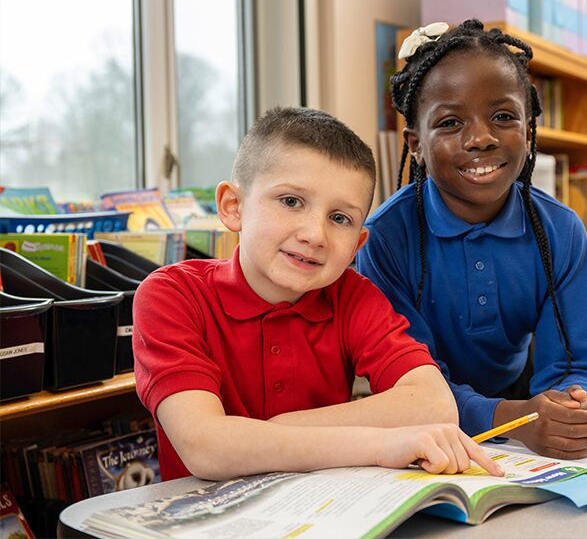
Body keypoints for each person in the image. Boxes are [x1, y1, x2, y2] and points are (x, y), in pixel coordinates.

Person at [133, 106, 503, 481]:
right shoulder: (171, 296)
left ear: (357, 244)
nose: (314, 235)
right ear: (234, 207)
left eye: (340, 218)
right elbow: (206, 447)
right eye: (291, 201)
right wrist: (379, 445)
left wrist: (266, 431)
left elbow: (434, 406)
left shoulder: (353, 297)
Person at [357, 20, 587, 460]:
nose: (481, 138)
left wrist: (574, 409)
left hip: (516, 402)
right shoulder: (384, 239)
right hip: (423, 418)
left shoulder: (560, 231)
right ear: (415, 144)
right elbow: (409, 385)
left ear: (529, 132)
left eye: (503, 117)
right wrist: (512, 419)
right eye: (451, 122)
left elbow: (572, 367)